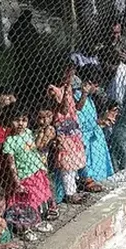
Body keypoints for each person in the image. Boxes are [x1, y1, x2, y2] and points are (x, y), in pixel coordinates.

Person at [2, 105, 54, 241]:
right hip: (24, 175)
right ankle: (25, 229)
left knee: (37, 199)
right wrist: (17, 181)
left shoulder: (28, 133)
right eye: (17, 120)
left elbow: (37, 148)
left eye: (24, 120)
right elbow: (11, 163)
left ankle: (36, 222)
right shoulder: (9, 141)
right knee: (26, 203)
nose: (20, 124)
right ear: (9, 120)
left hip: (36, 171)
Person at [48, 72, 87, 205]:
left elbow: (77, 108)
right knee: (66, 162)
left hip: (72, 128)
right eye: (69, 74)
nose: (71, 77)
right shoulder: (53, 89)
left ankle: (73, 189)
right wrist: (65, 92)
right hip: (63, 129)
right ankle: (69, 193)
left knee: (75, 159)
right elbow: (64, 110)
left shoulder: (68, 88)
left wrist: (84, 93)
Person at [73, 70, 116, 191]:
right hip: (85, 139)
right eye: (95, 86)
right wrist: (98, 121)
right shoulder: (77, 97)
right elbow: (79, 122)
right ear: (88, 83)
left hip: (95, 138)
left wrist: (100, 122)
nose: (96, 89)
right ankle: (88, 180)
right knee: (88, 164)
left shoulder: (90, 100)